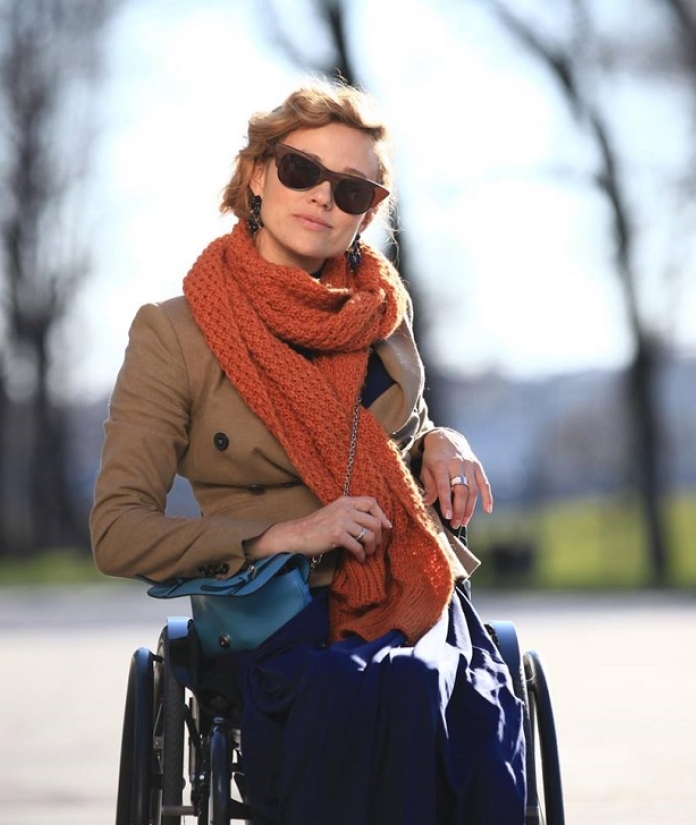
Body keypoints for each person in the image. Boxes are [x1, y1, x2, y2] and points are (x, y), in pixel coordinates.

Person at [91, 78, 527, 824]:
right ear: (257, 176)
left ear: (366, 214)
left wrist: (443, 441)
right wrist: (282, 535)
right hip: (273, 610)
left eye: (352, 189)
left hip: (409, 589)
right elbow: (117, 531)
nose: (324, 196)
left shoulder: (381, 315)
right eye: (301, 170)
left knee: (453, 696)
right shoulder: (175, 333)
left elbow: (399, 436)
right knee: (377, 694)